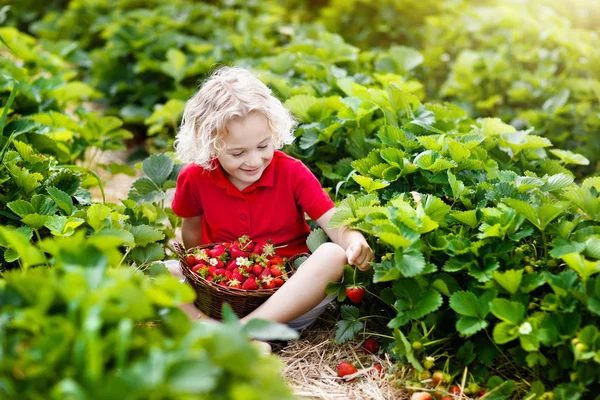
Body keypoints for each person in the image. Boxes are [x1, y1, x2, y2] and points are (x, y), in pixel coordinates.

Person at [167, 66, 374, 331]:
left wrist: (354, 240)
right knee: (162, 274)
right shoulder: (195, 177)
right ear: (210, 144)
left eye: (263, 146)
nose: (254, 161)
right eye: (238, 153)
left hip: (288, 299)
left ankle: (230, 332)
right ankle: (240, 336)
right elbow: (192, 234)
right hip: (224, 294)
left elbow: (332, 220)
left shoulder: (292, 173)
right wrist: (204, 279)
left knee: (333, 255)